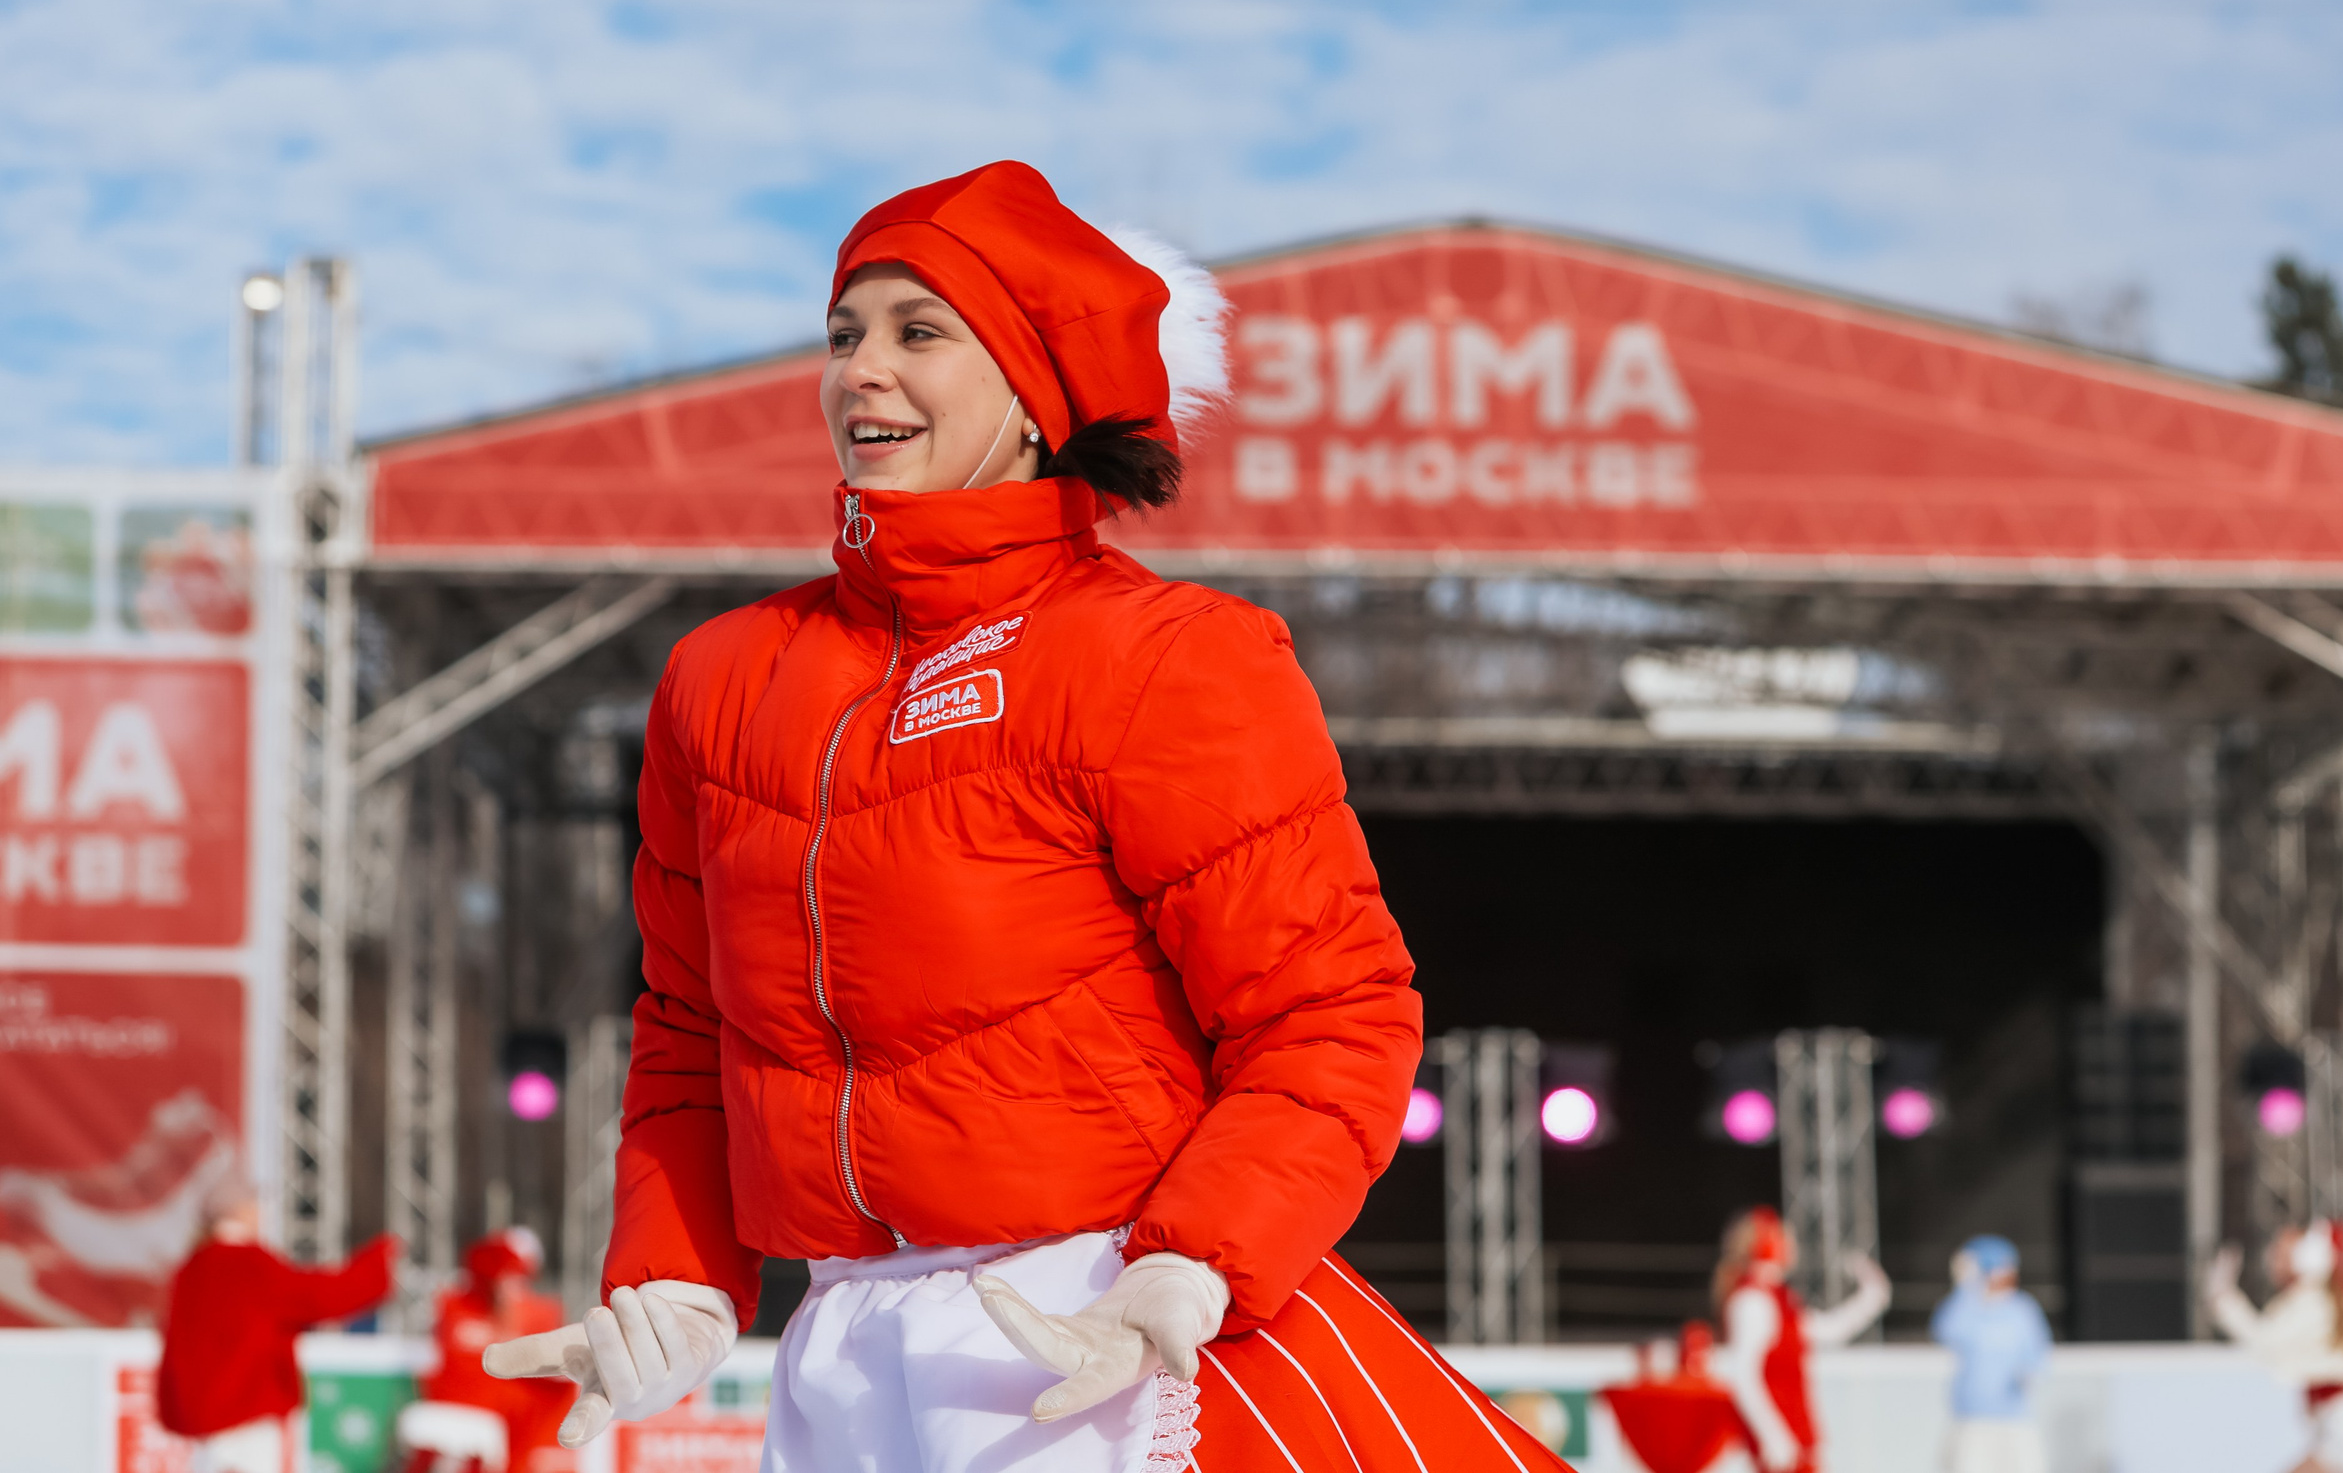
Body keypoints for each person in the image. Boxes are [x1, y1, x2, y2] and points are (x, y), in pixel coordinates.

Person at [482, 160, 1570, 1472]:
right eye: (844, 333)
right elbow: (688, 1034)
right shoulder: (721, 682)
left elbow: (1332, 1011)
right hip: (849, 1356)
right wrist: (676, 1272)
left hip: (1114, 1329)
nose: (860, 371)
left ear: (1035, 390)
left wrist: (1194, 1264)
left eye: (918, 332)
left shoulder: (1165, 656)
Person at [157, 1175, 398, 1473]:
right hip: (245, 1410)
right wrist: (377, 1263)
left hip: (203, 1416)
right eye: (255, 1205)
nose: (261, 1213)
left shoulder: (192, 1269)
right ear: (240, 1211)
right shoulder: (249, 1264)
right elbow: (320, 1298)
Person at [2206, 1218, 2343, 1473]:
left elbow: (2266, 1342)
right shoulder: (2324, 1298)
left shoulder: (2314, 1300)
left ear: (2308, 1256)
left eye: (2283, 1254)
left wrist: (2224, 1299)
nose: (2272, 1261)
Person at [1709, 1208, 1891, 1473]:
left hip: (1796, 1432)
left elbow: (1829, 1330)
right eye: (1785, 1238)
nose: (1792, 1246)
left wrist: (1871, 1298)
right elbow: (1743, 1374)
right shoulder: (1752, 1301)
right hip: (1782, 1436)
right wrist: (1771, 1433)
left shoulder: (1781, 1299)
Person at [399, 1229, 577, 1473]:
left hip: (500, 1413)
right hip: (474, 1408)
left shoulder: (537, 1312)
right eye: (510, 1274)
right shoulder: (458, 1306)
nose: (513, 1284)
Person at [1929, 1235, 2049, 1473]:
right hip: (1972, 1420)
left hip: (2015, 1420)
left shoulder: (2023, 1309)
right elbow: (1944, 1330)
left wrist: (2029, 1374)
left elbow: (2038, 1356)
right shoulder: (1967, 1307)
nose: (2009, 1275)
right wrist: (1965, 1287)